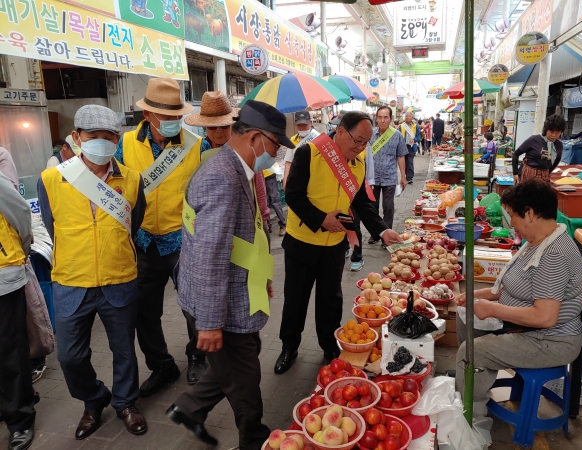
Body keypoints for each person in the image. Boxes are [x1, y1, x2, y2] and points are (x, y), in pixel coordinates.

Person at [167, 100, 292, 450]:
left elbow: (245, 235)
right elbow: (209, 254)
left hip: (238, 287)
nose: (277, 154)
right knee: (246, 375)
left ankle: (188, 409)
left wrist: (261, 275)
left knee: (237, 362)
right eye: (276, 145)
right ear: (255, 138)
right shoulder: (222, 177)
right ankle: (252, 438)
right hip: (217, 301)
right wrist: (208, 323)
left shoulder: (238, 167)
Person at [38, 105, 148, 439]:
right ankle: (93, 399)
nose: (101, 142)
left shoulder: (131, 178)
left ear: (118, 139)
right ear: (76, 138)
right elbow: (50, 224)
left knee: (125, 350)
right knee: (70, 356)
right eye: (93, 136)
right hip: (72, 281)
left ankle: (126, 402)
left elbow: (134, 222)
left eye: (108, 137)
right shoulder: (52, 178)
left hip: (119, 277)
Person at [274, 111, 403, 374]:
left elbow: (360, 202)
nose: (360, 147)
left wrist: (382, 230)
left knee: (330, 300)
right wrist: (321, 219)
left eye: (366, 143)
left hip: (334, 244)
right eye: (357, 140)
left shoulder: (358, 163)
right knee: (295, 300)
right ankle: (289, 346)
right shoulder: (309, 153)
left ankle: (329, 347)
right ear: (341, 131)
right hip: (303, 242)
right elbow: (293, 196)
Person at [455, 179, 582, 404]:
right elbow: (522, 285)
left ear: (530, 213)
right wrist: (483, 295)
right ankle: (472, 385)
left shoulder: (554, 255)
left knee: (474, 351)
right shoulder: (537, 240)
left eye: (512, 215)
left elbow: (545, 317)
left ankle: (471, 415)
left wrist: (494, 309)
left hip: (550, 341)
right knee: (466, 319)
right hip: (526, 329)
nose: (511, 222)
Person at [115, 77, 205, 391]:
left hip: (183, 240)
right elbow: (114, 187)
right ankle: (162, 366)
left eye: (176, 116)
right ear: (148, 116)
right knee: (144, 312)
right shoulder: (124, 145)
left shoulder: (195, 143)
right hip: (143, 242)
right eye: (166, 117)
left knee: (193, 307)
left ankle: (198, 355)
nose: (172, 122)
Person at [0, 171, 36, 450]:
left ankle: (20, 418)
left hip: (2, 278)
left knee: (11, 350)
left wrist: (18, 252)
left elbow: (21, 214)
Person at [366, 106, 408, 248]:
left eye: (385, 117)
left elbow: (401, 156)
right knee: (373, 207)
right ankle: (375, 233)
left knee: (388, 208)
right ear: (376, 118)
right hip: (372, 177)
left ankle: (386, 236)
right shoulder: (370, 134)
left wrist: (403, 176)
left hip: (390, 177)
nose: (382, 120)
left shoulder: (396, 135)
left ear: (390, 119)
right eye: (380, 117)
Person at [512, 114, 566, 184]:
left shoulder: (558, 145)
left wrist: (548, 171)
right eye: (551, 132)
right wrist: (515, 173)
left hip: (544, 177)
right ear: (546, 130)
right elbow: (516, 154)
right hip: (527, 175)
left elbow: (557, 159)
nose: (554, 135)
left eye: (557, 133)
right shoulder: (534, 140)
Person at [283, 110, 315, 188]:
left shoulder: (318, 138)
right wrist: (285, 181)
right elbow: (288, 162)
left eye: (304, 125)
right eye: (299, 125)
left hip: (315, 180)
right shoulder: (293, 140)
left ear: (311, 123)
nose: (302, 128)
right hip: (298, 179)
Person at [399, 112, 420, 184]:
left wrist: (415, 140)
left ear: (412, 118)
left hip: (411, 146)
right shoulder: (401, 126)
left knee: (410, 162)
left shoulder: (415, 126)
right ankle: (404, 176)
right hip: (403, 146)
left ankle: (410, 177)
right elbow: (398, 135)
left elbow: (418, 136)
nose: (407, 117)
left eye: (409, 116)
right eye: (406, 116)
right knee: (404, 162)